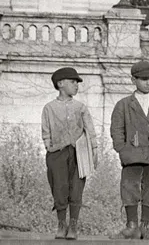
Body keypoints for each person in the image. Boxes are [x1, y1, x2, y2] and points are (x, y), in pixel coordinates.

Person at [111, 59, 149, 239]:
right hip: (132, 154)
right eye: (143, 79)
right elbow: (116, 129)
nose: (148, 82)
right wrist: (122, 149)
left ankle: (145, 226)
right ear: (133, 80)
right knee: (129, 187)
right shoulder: (123, 104)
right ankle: (131, 226)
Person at [42, 66, 95, 241]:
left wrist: (93, 151)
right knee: (59, 187)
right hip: (57, 153)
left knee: (76, 188)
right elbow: (46, 130)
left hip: (78, 154)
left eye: (77, 83)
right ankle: (61, 224)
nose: (76, 86)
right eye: (73, 82)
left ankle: (73, 225)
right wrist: (49, 146)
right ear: (60, 84)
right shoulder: (49, 108)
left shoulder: (80, 107)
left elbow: (90, 130)